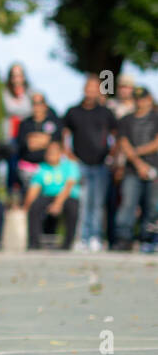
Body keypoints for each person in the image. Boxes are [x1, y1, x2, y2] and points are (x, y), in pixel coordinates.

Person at [62, 75, 118, 252]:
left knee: (97, 203)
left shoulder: (105, 112)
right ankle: (82, 237)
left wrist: (113, 153)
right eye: (89, 87)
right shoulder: (73, 111)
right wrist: (67, 152)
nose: (91, 91)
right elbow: (64, 132)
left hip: (101, 164)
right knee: (83, 202)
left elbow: (116, 134)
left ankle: (95, 236)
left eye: (95, 88)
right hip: (80, 164)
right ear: (84, 89)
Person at [114, 86, 158, 252]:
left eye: (143, 99)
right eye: (137, 99)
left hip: (154, 168)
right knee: (127, 204)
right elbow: (123, 144)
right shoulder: (126, 120)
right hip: (131, 170)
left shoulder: (156, 118)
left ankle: (148, 238)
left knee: (152, 205)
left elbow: (156, 143)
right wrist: (139, 164)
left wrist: (136, 151)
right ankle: (124, 239)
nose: (140, 102)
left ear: (149, 99)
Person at [23, 140, 81, 250]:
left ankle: (68, 244)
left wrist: (57, 204)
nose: (50, 155)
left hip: (67, 196)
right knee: (35, 207)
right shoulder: (42, 168)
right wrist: (26, 207)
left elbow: (68, 187)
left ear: (60, 153)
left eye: (53, 152)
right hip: (48, 195)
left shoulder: (70, 166)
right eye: (48, 153)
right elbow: (34, 189)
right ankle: (34, 243)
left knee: (72, 208)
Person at [2, 63, 34, 200]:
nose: (17, 78)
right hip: (10, 135)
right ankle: (11, 195)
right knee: (11, 168)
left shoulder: (30, 93)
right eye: (14, 75)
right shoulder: (4, 93)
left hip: (25, 136)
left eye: (19, 75)